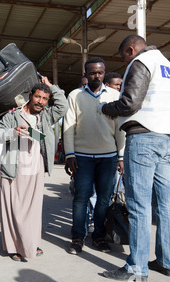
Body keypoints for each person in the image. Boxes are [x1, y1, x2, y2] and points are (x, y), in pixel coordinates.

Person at [99, 35, 170, 281]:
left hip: (143, 138)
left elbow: (130, 103)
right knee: (165, 204)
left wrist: (106, 108)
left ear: (131, 49)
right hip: (166, 139)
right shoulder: (168, 66)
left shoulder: (142, 61)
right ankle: (167, 262)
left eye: (124, 56)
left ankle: (136, 267)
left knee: (138, 205)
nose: (125, 62)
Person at [0, 76, 68, 261]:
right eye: (38, 97)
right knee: (14, 208)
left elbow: (63, 106)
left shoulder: (46, 115)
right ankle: (15, 247)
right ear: (30, 96)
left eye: (45, 99)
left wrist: (53, 87)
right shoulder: (12, 116)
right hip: (14, 169)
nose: (41, 102)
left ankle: (31, 244)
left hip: (35, 168)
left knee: (34, 209)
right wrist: (13, 132)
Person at [63, 57, 125, 255]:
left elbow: (120, 130)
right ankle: (77, 237)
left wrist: (121, 156)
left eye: (100, 73)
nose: (96, 76)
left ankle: (99, 236)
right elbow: (68, 127)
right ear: (86, 74)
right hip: (81, 156)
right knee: (81, 198)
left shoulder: (115, 95)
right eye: (92, 73)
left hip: (108, 157)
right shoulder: (75, 95)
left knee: (104, 199)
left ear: (104, 73)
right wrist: (69, 154)